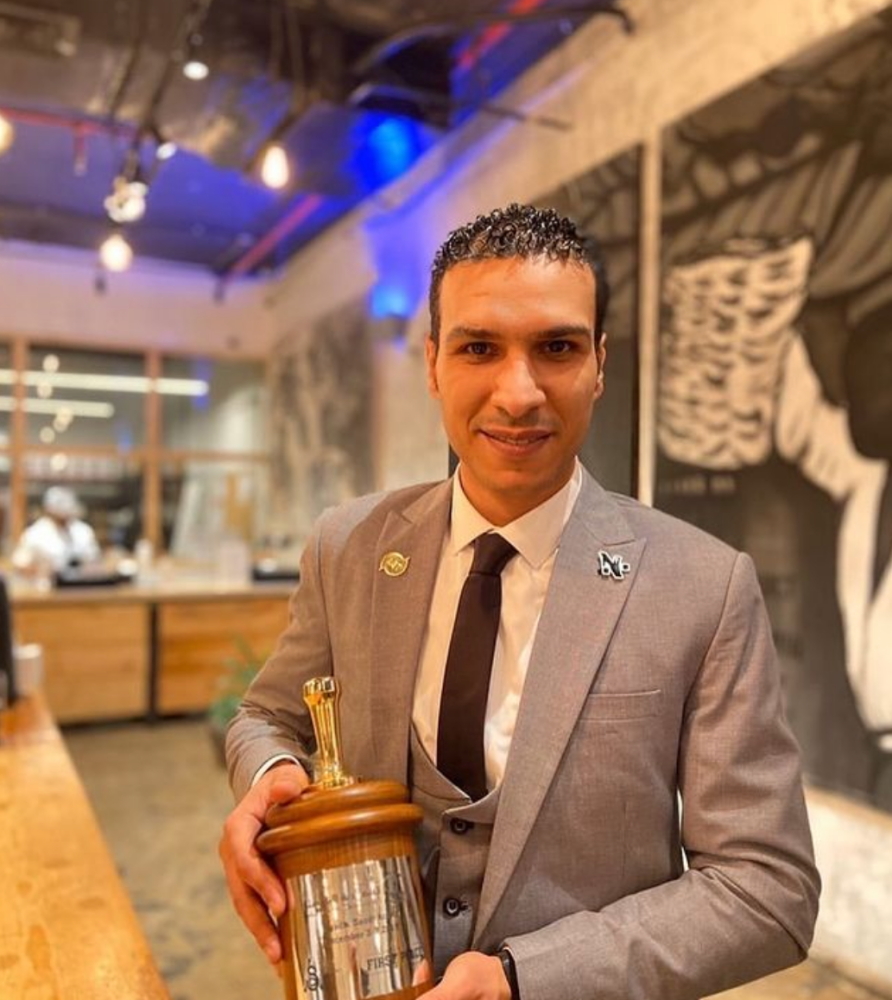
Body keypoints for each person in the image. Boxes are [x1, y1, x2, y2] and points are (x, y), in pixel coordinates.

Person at [221, 204, 820, 1000]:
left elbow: (767, 889)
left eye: (557, 348)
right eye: (479, 348)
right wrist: (269, 779)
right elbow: (266, 718)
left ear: (599, 364)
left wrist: (524, 980)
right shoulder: (349, 548)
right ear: (433, 362)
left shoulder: (703, 586)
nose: (519, 392)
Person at [12, 486, 101, 576]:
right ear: (48, 509)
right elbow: (20, 565)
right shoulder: (34, 534)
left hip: (82, 586)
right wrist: (44, 571)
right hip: (48, 587)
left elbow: (95, 561)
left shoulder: (84, 531)